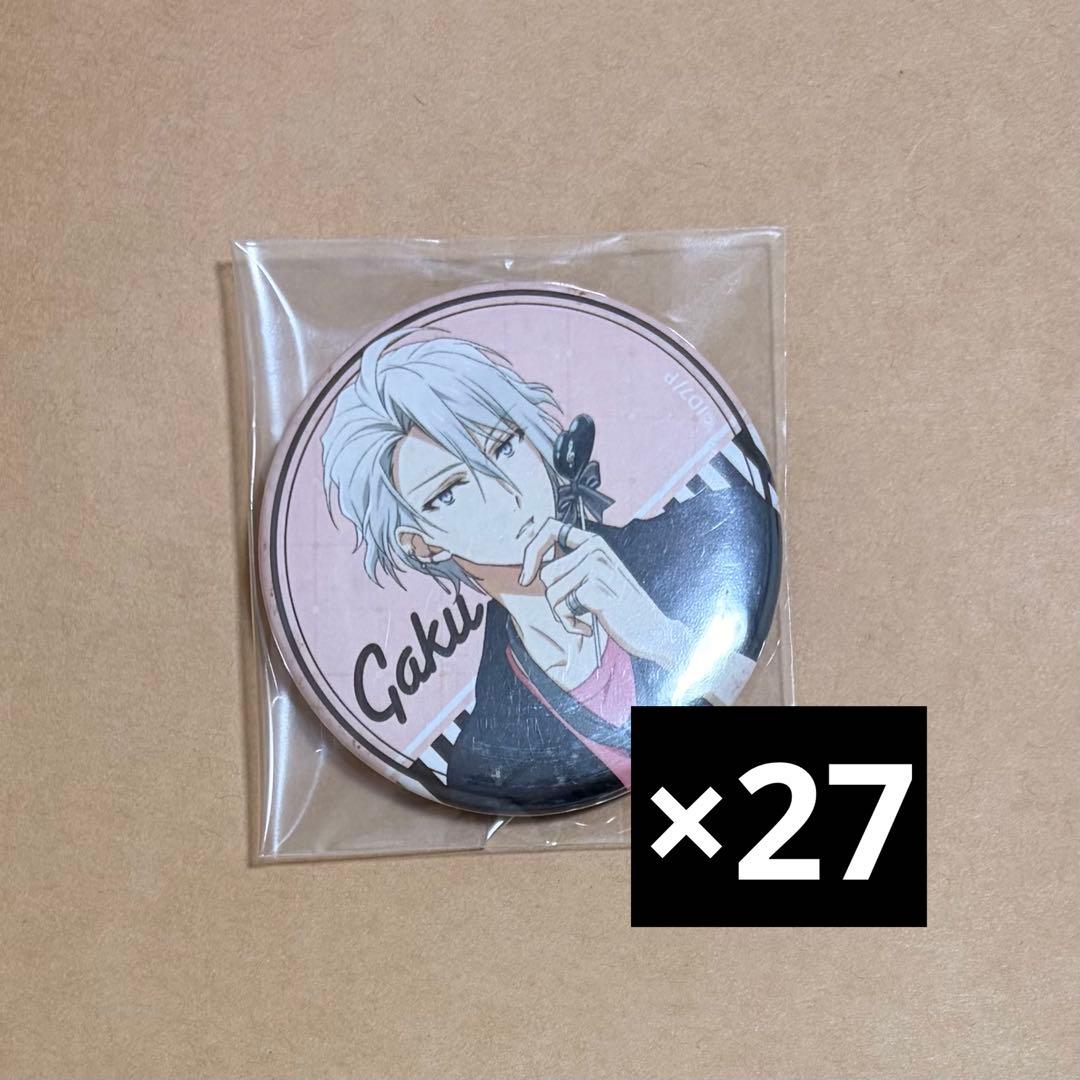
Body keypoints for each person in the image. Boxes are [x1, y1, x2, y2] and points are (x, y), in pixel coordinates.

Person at [322, 330, 779, 813]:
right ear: (421, 543)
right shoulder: (485, 754)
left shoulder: (716, 537)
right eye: (449, 494)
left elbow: (770, 693)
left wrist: (664, 638)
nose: (506, 494)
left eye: (504, 447)